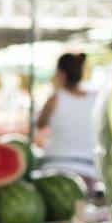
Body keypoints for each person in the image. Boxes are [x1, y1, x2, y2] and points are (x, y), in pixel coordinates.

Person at [35, 52, 99, 186]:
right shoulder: (96, 98)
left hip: (55, 168)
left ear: (61, 74)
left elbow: (40, 125)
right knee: (81, 206)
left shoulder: (55, 98)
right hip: (88, 170)